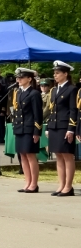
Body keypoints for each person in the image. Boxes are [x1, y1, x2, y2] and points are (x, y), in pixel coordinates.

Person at [46, 61, 77, 196]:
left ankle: (68, 186)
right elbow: (52, 110)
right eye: (54, 73)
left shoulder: (71, 89)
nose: (55, 75)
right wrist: (48, 126)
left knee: (67, 155)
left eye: (58, 73)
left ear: (66, 74)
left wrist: (71, 128)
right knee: (58, 155)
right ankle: (61, 184)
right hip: (54, 125)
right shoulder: (54, 90)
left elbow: (73, 110)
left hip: (65, 126)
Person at [12, 68, 42, 193]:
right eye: (18, 77)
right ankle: (27, 182)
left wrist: (37, 131)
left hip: (29, 128)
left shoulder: (34, 93)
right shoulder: (18, 92)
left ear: (29, 79)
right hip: (20, 128)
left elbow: (38, 114)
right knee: (22, 155)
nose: (18, 80)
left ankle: (34, 184)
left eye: (21, 77)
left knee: (30, 155)